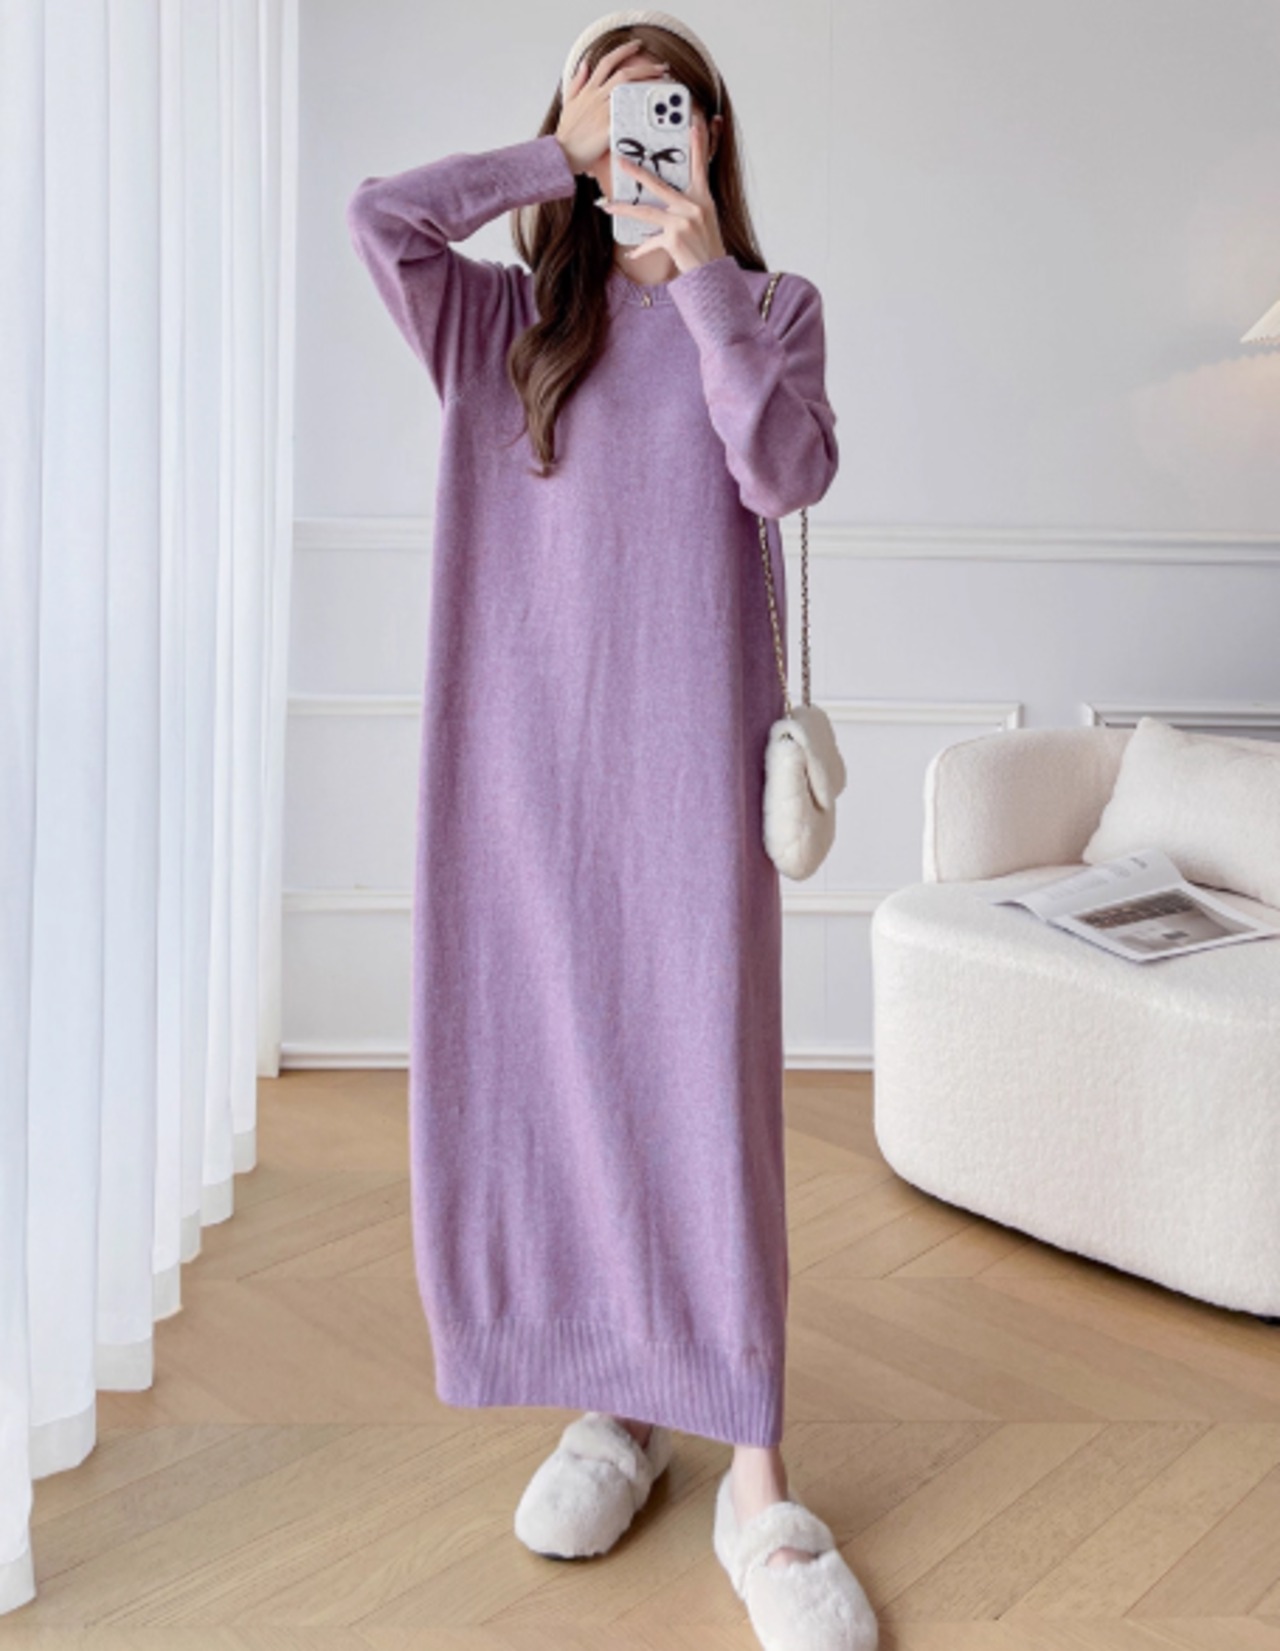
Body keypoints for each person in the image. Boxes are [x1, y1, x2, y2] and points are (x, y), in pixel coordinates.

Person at [347, 10, 875, 1647]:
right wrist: (549, 162)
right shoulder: (498, 322)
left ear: (713, 140)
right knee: (544, 1088)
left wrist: (703, 277)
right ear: (577, 130)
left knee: (701, 1100)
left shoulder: (770, 310)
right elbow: (378, 219)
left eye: (672, 114)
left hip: (687, 785)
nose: (646, 140)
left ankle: (755, 1476)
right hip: (515, 787)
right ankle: (617, 1402)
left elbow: (785, 475)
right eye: (617, 115)